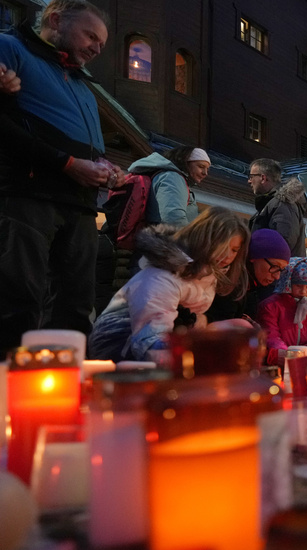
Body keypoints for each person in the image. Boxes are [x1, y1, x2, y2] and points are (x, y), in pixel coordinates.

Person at [0, 0, 125, 354]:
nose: (97, 48)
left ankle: (66, 392)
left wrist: (104, 165)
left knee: (76, 306)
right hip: (27, 196)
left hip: (80, 205)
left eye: (102, 43)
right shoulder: (11, 47)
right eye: (91, 36)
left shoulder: (81, 82)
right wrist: (67, 163)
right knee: (18, 300)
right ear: (55, 20)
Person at [87, 207, 249, 363]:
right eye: (224, 246)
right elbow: (149, 344)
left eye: (234, 250)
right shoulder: (163, 276)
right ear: (205, 238)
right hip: (118, 351)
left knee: (240, 328)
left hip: (157, 348)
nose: (228, 256)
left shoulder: (206, 276)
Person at [96, 145, 212, 313]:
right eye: (201, 166)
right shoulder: (173, 177)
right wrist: (192, 257)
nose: (205, 173)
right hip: (150, 256)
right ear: (185, 163)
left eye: (207, 168)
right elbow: (174, 219)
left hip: (136, 251)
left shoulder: (157, 174)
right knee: (141, 314)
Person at [205, 229, 290, 324]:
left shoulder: (255, 286)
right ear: (254, 257)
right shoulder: (231, 288)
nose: (277, 276)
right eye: (275, 267)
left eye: (281, 269)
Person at [257, 257, 307, 364]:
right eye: (298, 286)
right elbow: (271, 336)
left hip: (304, 361)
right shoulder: (271, 306)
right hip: (277, 360)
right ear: (288, 283)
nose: (303, 291)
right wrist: (288, 353)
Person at [248, 158, 306, 257]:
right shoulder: (274, 203)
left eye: (251, 176)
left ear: (263, 178)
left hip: (274, 270)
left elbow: (283, 244)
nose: (249, 181)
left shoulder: (282, 203)